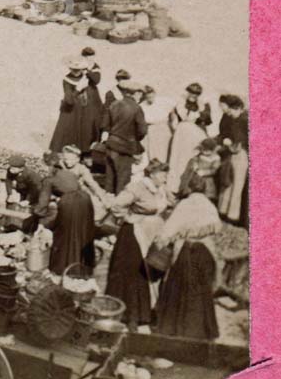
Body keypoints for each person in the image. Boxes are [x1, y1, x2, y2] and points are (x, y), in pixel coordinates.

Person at [104, 159, 173, 330]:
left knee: (152, 270)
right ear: (153, 174)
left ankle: (146, 312)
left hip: (153, 233)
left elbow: (169, 204)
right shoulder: (137, 187)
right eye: (163, 174)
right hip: (134, 235)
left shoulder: (161, 189)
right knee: (133, 273)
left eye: (166, 174)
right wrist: (128, 217)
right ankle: (130, 314)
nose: (165, 178)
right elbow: (115, 204)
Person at [153, 192, 223, 340]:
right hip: (205, 252)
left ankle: (177, 326)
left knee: (180, 288)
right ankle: (201, 328)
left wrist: (160, 242)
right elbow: (217, 228)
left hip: (187, 251)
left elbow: (169, 230)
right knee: (201, 291)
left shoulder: (185, 205)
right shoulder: (209, 205)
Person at [34, 144, 99, 275]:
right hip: (85, 200)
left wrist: (39, 218)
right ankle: (83, 265)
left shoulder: (49, 179)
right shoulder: (67, 173)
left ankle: (62, 267)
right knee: (82, 232)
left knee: (64, 233)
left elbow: (43, 203)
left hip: (70, 202)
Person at [48, 57, 103, 156]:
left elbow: (96, 85)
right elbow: (69, 100)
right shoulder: (67, 80)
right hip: (73, 111)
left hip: (85, 111)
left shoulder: (87, 78)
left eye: (78, 69)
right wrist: (78, 89)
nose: (76, 72)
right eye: (74, 69)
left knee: (86, 130)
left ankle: (85, 152)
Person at [101, 79, 147, 195]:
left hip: (110, 145)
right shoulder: (136, 108)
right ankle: (120, 204)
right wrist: (135, 140)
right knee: (123, 181)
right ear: (136, 93)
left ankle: (108, 201)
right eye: (140, 93)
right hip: (125, 148)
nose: (141, 96)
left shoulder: (113, 104)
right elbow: (142, 130)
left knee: (110, 180)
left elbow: (104, 125)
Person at [165, 84, 212, 192]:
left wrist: (201, 110)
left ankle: (190, 187)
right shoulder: (180, 104)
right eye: (191, 92)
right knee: (178, 159)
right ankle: (175, 188)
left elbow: (207, 121)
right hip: (182, 135)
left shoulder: (203, 105)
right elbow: (174, 120)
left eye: (196, 94)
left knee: (192, 159)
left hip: (196, 135)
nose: (193, 95)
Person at [216, 94, 248, 224]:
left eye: (232, 110)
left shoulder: (245, 120)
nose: (230, 113)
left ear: (239, 108)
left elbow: (242, 142)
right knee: (229, 182)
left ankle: (232, 215)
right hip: (233, 153)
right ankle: (223, 211)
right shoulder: (234, 119)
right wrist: (226, 141)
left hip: (241, 155)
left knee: (237, 185)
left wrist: (233, 145)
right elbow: (226, 135)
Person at [177, 138, 223, 202]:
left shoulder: (216, 158)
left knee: (206, 194)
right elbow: (196, 159)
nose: (204, 152)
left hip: (207, 179)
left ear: (212, 150)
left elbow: (214, 170)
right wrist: (195, 164)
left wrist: (204, 172)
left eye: (206, 150)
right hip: (196, 177)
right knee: (191, 189)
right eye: (203, 149)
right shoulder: (200, 155)